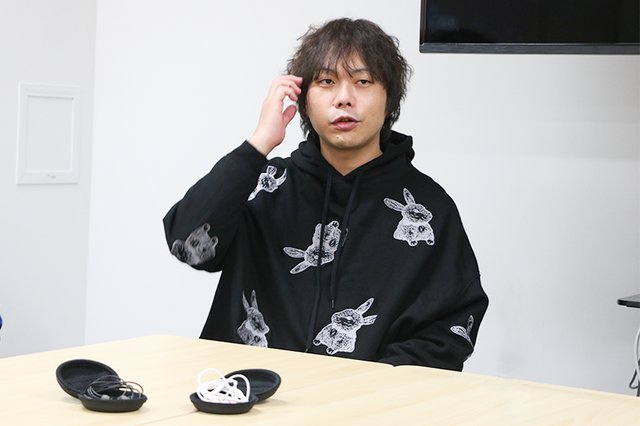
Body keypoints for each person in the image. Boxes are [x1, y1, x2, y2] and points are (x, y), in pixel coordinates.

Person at [163, 18, 488, 371]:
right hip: (248, 391)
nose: (344, 98)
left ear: (389, 98)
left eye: (363, 81)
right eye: (326, 82)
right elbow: (187, 244)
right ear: (303, 98)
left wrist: (375, 384)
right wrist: (259, 144)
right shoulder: (266, 184)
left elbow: (449, 329)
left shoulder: (429, 207)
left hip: (368, 399)